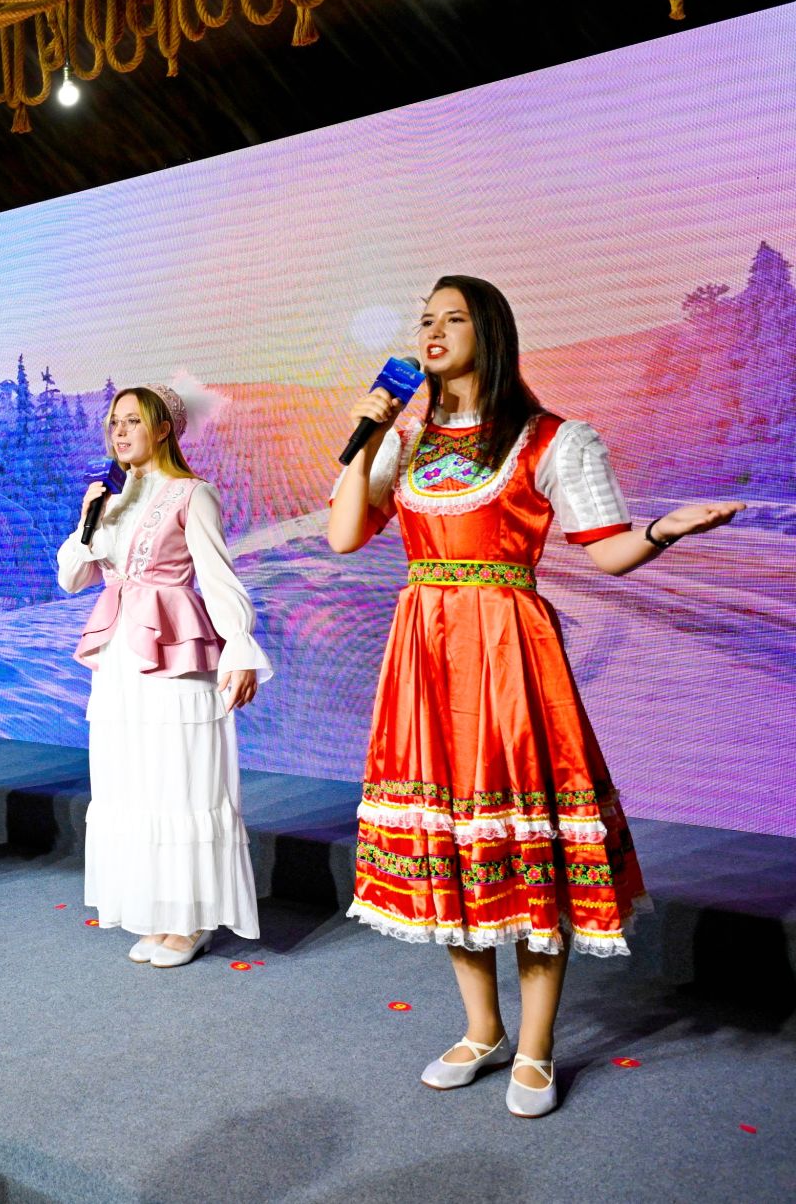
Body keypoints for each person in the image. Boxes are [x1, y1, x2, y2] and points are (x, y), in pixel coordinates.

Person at [327, 274, 743, 1117]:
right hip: (424, 656)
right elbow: (343, 536)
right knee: (450, 841)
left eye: (453, 318)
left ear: (490, 331)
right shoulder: (405, 440)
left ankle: (537, 1046)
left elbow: (609, 550)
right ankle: (482, 1029)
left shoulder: (550, 438)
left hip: (509, 652)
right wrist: (366, 436)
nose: (434, 331)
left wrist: (664, 530)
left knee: (528, 844)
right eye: (426, 319)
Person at [56, 385, 272, 968]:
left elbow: (217, 576)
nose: (119, 431)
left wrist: (239, 646)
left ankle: (190, 917)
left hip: (173, 651)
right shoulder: (109, 498)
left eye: (132, 420)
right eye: (114, 422)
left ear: (162, 429)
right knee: (132, 781)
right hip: (119, 658)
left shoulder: (192, 494)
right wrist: (90, 517)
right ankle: (157, 908)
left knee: (179, 779)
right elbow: (72, 578)